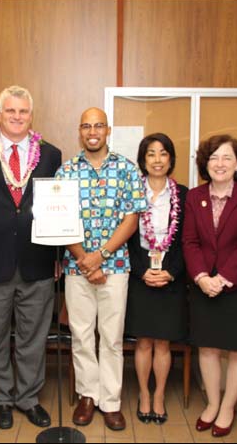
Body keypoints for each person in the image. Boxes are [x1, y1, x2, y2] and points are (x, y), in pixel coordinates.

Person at [0, 85, 62, 430]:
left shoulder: (50, 154)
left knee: (34, 336)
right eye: (10, 111)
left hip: (38, 260)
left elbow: (57, 208)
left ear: (30, 116)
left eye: (23, 112)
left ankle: (29, 398)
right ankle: (1, 398)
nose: (17, 117)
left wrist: (59, 254)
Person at [55, 107, 147, 431]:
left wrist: (102, 255)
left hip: (117, 266)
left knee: (111, 338)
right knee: (81, 335)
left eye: (98, 126)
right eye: (86, 126)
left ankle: (111, 402)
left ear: (108, 130)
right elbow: (60, 221)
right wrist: (86, 259)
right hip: (76, 266)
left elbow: (131, 218)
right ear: (79, 131)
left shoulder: (127, 169)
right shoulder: (65, 172)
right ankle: (87, 396)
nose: (92, 131)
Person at [182, 135, 237, 437]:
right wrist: (202, 277)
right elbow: (189, 241)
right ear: (205, 163)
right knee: (208, 347)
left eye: (227, 157)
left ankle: (228, 406)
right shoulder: (194, 196)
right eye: (214, 157)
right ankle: (212, 404)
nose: (220, 164)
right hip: (203, 285)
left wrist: (223, 278)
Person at [124, 133, 189, 425]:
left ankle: (159, 394)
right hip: (140, 276)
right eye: (151, 154)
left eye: (163, 153)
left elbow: (188, 241)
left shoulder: (184, 195)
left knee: (162, 343)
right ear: (143, 160)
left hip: (171, 277)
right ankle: (143, 394)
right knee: (143, 342)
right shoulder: (131, 192)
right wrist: (142, 272)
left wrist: (171, 272)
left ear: (171, 159)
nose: (157, 159)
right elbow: (126, 239)